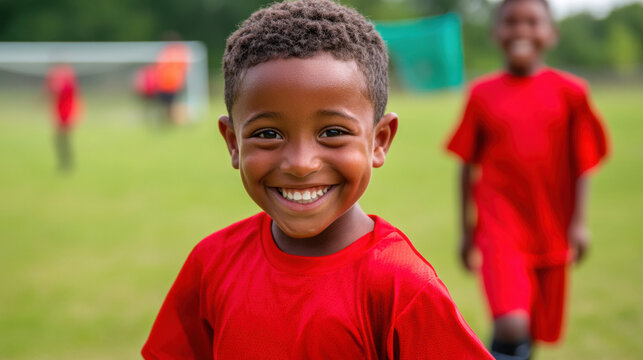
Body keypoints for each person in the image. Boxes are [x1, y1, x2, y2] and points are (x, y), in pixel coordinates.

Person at [142, 1, 493, 359]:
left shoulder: (402, 286)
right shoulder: (211, 264)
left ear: (380, 140)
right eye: (268, 134)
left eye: (333, 131)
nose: (300, 164)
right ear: (233, 142)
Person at [445, 0, 609, 359]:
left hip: (551, 227)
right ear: (496, 33)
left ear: (551, 33)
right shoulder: (481, 93)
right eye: (511, 22)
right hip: (499, 227)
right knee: (511, 323)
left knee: (530, 329)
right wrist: (467, 230)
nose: (521, 31)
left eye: (533, 22)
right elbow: (465, 165)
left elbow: (584, 162)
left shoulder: (572, 92)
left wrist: (579, 224)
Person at [46, 64, 80, 172]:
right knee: (59, 139)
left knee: (63, 138)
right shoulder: (55, 77)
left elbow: (70, 91)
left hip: (67, 113)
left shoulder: (68, 79)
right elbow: (50, 92)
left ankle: (66, 161)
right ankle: (65, 161)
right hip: (60, 112)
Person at [155, 35, 190, 125]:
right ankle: (170, 121)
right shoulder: (178, 53)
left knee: (170, 104)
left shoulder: (167, 53)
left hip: (170, 83)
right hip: (169, 83)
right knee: (169, 104)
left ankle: (171, 121)